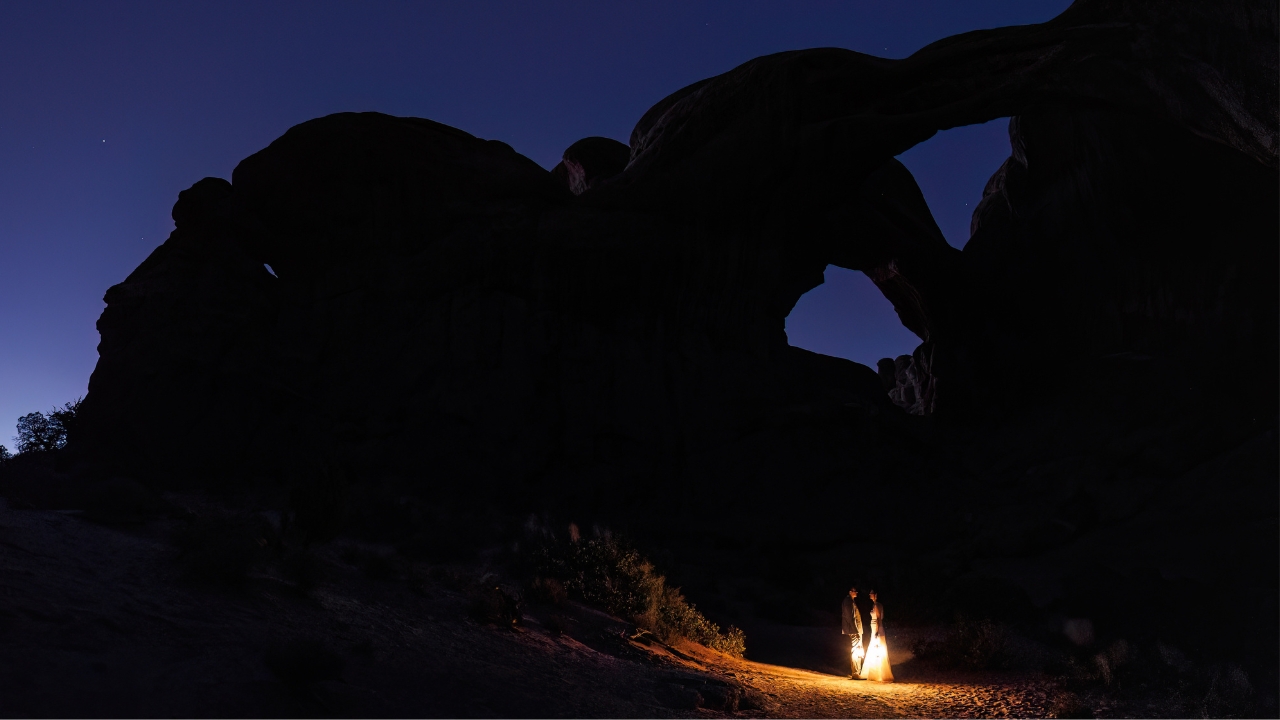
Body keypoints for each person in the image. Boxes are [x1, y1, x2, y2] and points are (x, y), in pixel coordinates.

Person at [859, 589, 894, 682]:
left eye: (872, 593)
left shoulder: (877, 605)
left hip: (876, 627)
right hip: (874, 627)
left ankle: (878, 673)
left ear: (876, 595)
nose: (870, 595)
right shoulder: (875, 604)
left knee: (877, 648)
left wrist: (877, 630)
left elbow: (878, 618)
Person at [841, 586, 864, 679]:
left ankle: (857, 671)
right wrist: (856, 631)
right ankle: (855, 672)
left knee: (857, 649)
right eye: (855, 591)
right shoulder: (848, 602)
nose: (856, 593)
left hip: (855, 629)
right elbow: (850, 618)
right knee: (856, 650)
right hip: (853, 630)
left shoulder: (850, 601)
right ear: (850, 592)